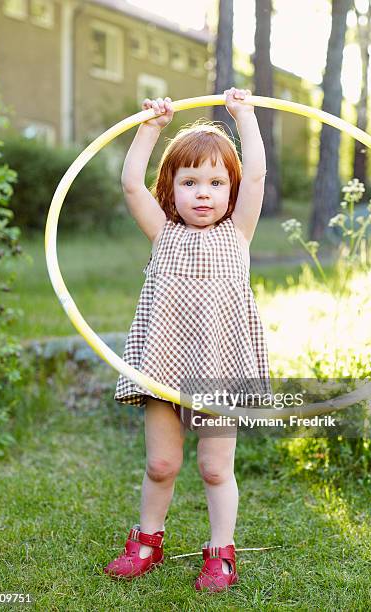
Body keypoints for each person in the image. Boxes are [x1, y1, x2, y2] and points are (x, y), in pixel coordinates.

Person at [104, 88, 271, 592]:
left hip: (218, 366)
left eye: (216, 182)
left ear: (231, 189)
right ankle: (148, 541)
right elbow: (131, 183)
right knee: (161, 463)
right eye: (190, 181)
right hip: (163, 367)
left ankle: (221, 553)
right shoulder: (163, 232)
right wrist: (149, 128)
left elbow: (258, 174)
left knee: (215, 468)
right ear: (171, 189)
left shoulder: (238, 233)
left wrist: (244, 118)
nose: (203, 192)